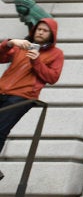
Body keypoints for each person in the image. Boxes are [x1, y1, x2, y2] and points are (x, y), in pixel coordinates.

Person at [0, 18, 64, 153]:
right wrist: (9, 43)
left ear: (51, 34)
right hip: (2, 91)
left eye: (45, 31)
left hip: (22, 97)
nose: (41, 32)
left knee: (1, 129)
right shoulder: (22, 46)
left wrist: (37, 62)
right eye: (39, 29)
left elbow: (52, 78)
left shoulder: (56, 54)